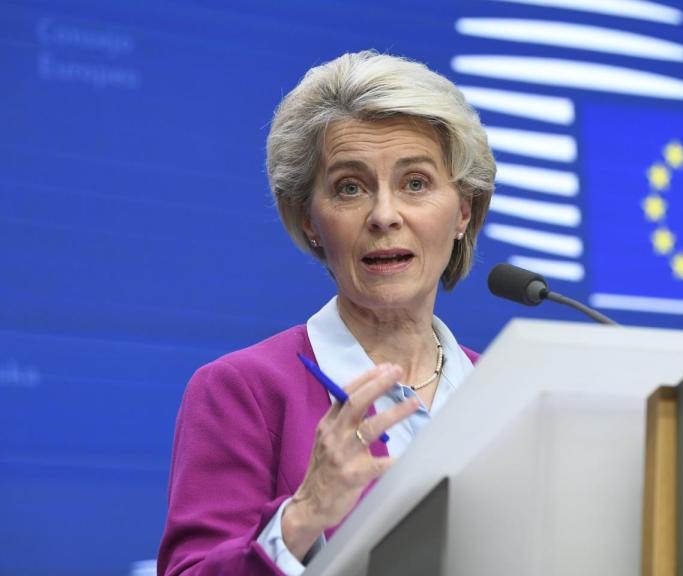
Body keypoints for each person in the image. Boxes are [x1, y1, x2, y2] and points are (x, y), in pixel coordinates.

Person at [157, 50, 495, 576]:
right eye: (350, 188)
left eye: (416, 183)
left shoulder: (501, 388)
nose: (385, 215)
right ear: (308, 220)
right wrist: (304, 517)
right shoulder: (244, 391)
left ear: (464, 210)